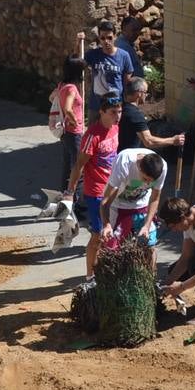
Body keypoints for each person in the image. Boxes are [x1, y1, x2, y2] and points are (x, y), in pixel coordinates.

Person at [65, 96, 123, 279]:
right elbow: (79, 165)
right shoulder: (92, 136)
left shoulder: (115, 128)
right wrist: (70, 192)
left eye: (119, 111)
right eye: (113, 112)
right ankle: (90, 276)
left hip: (114, 189)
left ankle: (104, 270)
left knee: (112, 233)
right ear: (102, 112)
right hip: (96, 192)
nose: (117, 116)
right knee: (98, 236)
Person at [100, 149, 166, 250]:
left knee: (150, 245)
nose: (148, 184)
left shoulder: (163, 168)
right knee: (111, 247)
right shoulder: (124, 162)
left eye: (151, 182)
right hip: (118, 205)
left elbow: (155, 199)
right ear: (139, 167)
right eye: (145, 179)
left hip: (142, 204)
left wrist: (147, 226)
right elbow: (105, 201)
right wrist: (106, 224)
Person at [119, 77, 185, 153]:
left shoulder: (120, 109)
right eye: (145, 92)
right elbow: (149, 141)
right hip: (127, 157)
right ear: (139, 93)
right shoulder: (135, 115)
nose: (146, 95)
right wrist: (173, 140)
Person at [82, 21, 135, 116]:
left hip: (114, 106)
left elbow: (127, 81)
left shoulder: (124, 56)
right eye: (103, 38)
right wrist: (78, 43)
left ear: (115, 36)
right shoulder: (93, 54)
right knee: (93, 130)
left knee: (114, 131)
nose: (106, 41)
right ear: (99, 38)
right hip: (96, 106)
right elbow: (77, 61)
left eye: (109, 38)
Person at [55, 56, 87, 193]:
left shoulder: (62, 85)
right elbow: (68, 108)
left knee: (67, 166)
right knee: (78, 166)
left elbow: (51, 98)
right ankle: (75, 196)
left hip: (65, 131)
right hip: (73, 132)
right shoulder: (72, 88)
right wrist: (75, 121)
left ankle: (65, 194)